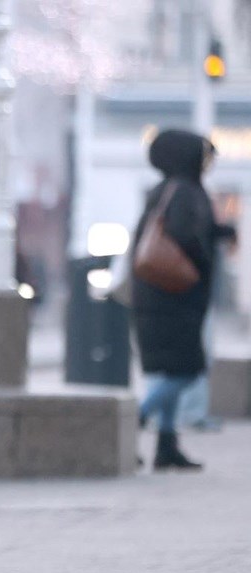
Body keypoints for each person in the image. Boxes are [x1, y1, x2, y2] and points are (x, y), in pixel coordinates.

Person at [131, 129, 236, 470]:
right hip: (174, 297)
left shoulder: (167, 189)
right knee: (186, 371)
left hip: (161, 296)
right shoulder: (185, 192)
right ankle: (135, 419)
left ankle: (166, 444)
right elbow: (185, 236)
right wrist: (204, 264)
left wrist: (221, 233)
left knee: (171, 369)